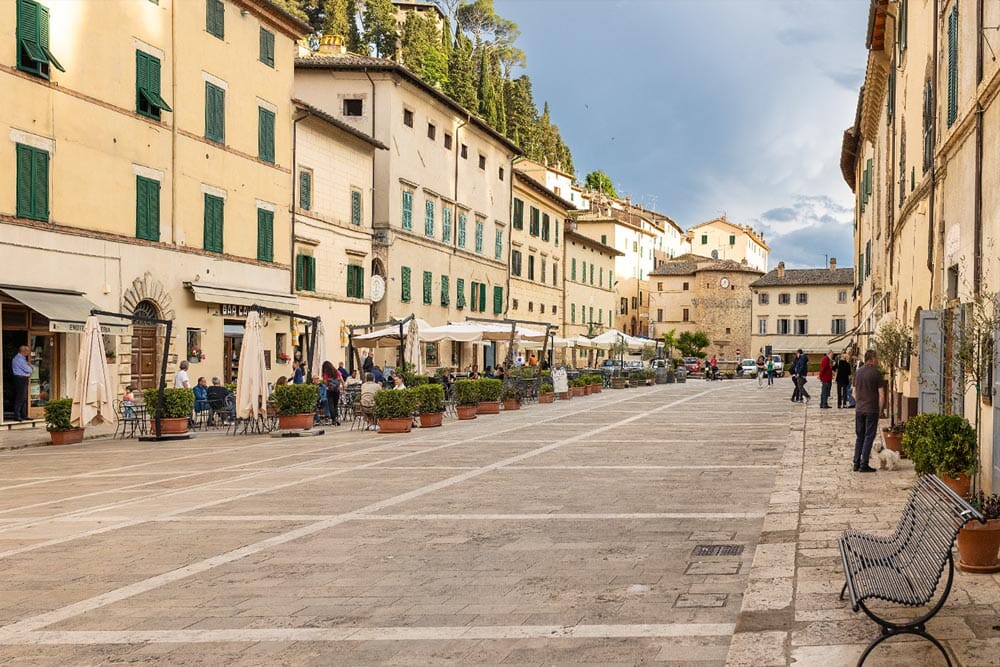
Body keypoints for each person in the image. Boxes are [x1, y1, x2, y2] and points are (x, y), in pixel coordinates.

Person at [852, 349, 887, 473]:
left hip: (859, 409)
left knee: (859, 436)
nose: (877, 360)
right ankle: (864, 464)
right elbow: (881, 394)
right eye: (876, 358)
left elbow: (853, 392)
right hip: (871, 409)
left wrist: (859, 402)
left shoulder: (858, 372)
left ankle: (856, 463)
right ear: (872, 359)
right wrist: (880, 410)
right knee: (868, 436)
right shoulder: (876, 374)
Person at [11, 345, 32, 421]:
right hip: (20, 379)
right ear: (23, 351)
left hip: (23, 379)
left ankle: (24, 415)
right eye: (27, 351)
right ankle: (17, 416)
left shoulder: (22, 359)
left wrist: (30, 367)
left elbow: (31, 367)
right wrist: (30, 367)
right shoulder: (19, 359)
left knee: (23, 398)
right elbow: (29, 369)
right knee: (20, 397)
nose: (28, 353)